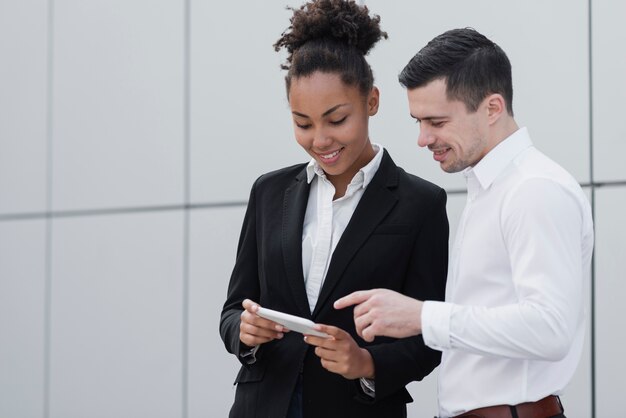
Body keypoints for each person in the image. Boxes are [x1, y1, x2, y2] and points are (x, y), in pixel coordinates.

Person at [335, 28, 594, 418]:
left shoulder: (533, 190)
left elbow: (550, 328)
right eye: (418, 121)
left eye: (436, 122)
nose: (423, 138)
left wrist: (422, 316)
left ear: (492, 108)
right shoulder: (493, 187)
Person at [219, 1, 448, 417]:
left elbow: (428, 335)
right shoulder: (269, 193)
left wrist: (367, 363)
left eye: (336, 119)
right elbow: (233, 310)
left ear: (371, 101)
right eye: (302, 123)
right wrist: (244, 332)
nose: (320, 139)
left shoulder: (422, 204)